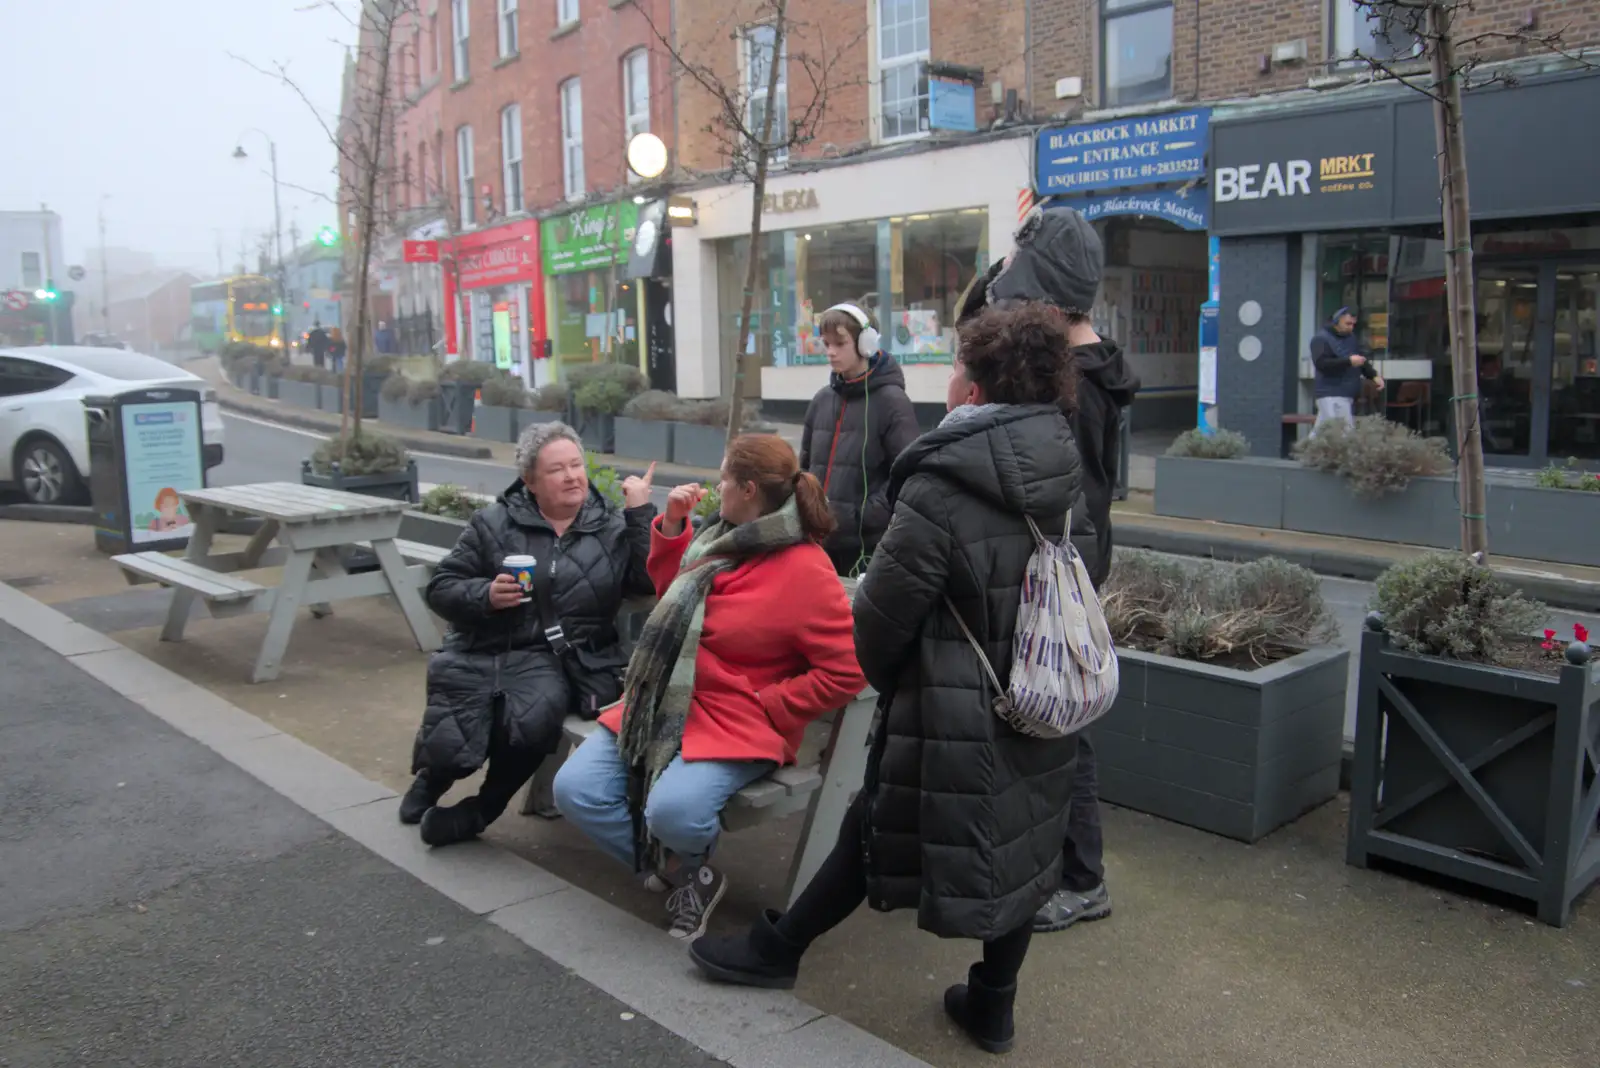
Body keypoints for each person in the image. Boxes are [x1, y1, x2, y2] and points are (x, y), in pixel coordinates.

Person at [688, 301, 1085, 1056]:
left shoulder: (939, 482)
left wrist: (915, 670)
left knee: (871, 827)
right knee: (1030, 837)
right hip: (1043, 698)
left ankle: (779, 950)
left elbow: (877, 623)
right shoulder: (1068, 470)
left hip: (947, 709)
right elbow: (1084, 575)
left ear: (975, 386)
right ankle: (992, 1006)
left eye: (960, 364)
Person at [553, 435, 864, 940]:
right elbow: (670, 596)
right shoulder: (716, 536)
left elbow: (850, 669)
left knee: (673, 812)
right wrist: (673, 526)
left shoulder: (807, 568)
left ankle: (679, 864)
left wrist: (772, 704)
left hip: (737, 722)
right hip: (659, 701)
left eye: (722, 478)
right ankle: (689, 875)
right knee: (576, 789)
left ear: (746, 488)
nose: (715, 487)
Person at [958, 205, 1137, 933]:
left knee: (1061, 723)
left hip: (1056, 569)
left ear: (1056, 302)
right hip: (1064, 563)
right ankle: (1051, 865)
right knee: (1046, 717)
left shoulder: (1077, 386)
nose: (1012, 298)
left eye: (1027, 288)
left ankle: (1082, 877)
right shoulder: (1089, 367)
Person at [403, 422, 657, 846]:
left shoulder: (610, 525)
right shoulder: (493, 523)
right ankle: (433, 780)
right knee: (457, 693)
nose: (573, 476)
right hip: (484, 642)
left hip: (559, 655)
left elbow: (647, 584)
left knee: (533, 717)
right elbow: (441, 586)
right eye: (557, 469)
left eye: (577, 465)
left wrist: (639, 515)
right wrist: (485, 594)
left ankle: (481, 810)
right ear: (530, 481)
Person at [798, 304, 920, 576]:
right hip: (817, 546)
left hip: (867, 550)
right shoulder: (821, 401)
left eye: (839, 343)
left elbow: (907, 475)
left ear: (866, 344)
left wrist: (863, 517)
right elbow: (804, 467)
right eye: (826, 343)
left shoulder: (892, 403)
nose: (830, 351)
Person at [1311, 307, 1382, 433]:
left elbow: (1360, 359)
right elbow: (1321, 364)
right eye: (1348, 323)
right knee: (1341, 431)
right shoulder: (1321, 339)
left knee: (1327, 431)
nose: (1351, 327)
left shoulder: (1351, 339)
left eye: (1353, 324)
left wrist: (1373, 375)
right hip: (1330, 392)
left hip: (1345, 392)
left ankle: (1309, 449)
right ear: (1336, 322)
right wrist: (1348, 361)